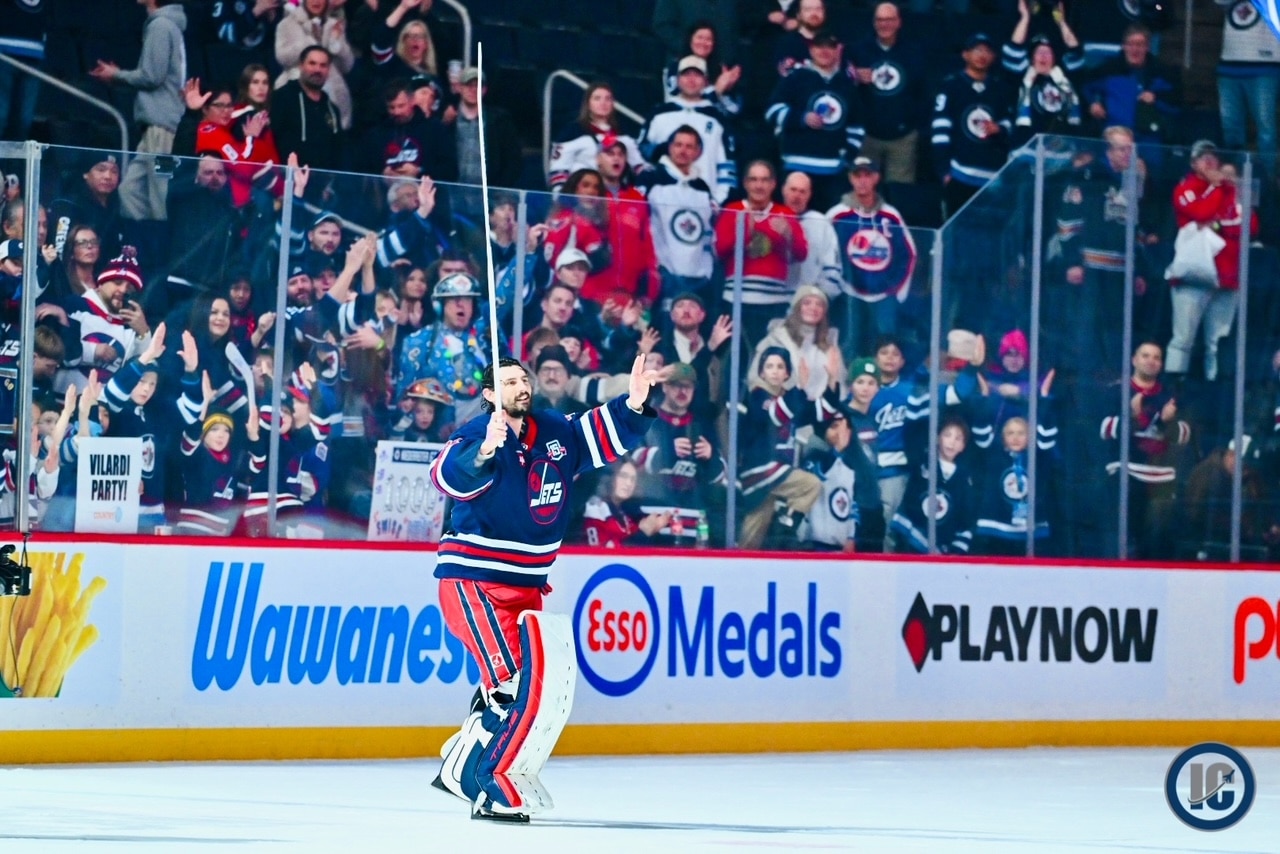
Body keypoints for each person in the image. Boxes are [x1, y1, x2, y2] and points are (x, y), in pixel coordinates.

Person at [429, 354, 657, 820]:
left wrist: (633, 405)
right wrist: (485, 451)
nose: (520, 386)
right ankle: (485, 779)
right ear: (489, 394)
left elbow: (598, 433)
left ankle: (466, 760)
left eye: (523, 379)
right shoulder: (477, 433)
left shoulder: (554, 430)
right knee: (513, 683)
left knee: (527, 685)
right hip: (475, 579)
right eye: (508, 382)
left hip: (528, 583)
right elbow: (447, 477)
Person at [1166, 140, 1258, 383]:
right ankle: (1172, 390)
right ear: (1193, 163)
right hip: (1194, 273)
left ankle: (1215, 389)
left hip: (1228, 275)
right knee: (1183, 339)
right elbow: (1202, 212)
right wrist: (1216, 189)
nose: (1209, 162)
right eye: (1202, 158)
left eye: (1213, 157)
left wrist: (1217, 225)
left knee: (1218, 341)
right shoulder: (1186, 188)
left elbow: (1250, 226)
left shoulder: (1232, 189)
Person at [88, 0, 188, 223]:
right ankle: (143, 239)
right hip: (154, 128)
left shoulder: (161, 25)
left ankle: (163, 243)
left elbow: (152, 76)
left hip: (161, 129)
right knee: (130, 190)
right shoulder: (166, 24)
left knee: (159, 193)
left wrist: (116, 75)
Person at [766, 28, 864, 213]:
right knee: (789, 222)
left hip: (833, 171)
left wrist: (846, 157)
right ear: (811, 49)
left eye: (830, 46)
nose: (824, 51)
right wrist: (801, 118)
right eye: (819, 46)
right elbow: (772, 111)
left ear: (837, 50)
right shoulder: (795, 78)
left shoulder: (846, 84)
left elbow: (856, 126)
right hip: (796, 167)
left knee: (828, 222)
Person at [826, 157, 917, 357]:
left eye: (868, 175)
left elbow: (909, 253)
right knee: (849, 345)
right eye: (857, 175)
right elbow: (824, 253)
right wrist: (836, 287)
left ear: (876, 177)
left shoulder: (891, 215)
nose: (862, 180)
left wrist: (897, 290)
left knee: (886, 347)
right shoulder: (837, 214)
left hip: (884, 295)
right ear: (850, 178)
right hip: (849, 293)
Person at [715, 160, 808, 348]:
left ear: (773, 184)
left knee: (769, 356)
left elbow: (801, 254)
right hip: (736, 299)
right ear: (745, 183)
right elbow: (719, 251)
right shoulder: (733, 210)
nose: (759, 185)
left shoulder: (785, 213)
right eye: (754, 179)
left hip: (774, 301)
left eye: (765, 180)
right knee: (734, 357)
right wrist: (743, 233)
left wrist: (788, 235)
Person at [931, 32, 1014, 216]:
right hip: (960, 176)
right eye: (977, 50)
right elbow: (940, 131)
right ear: (965, 54)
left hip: (992, 179)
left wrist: (999, 129)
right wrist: (944, 171)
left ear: (993, 57)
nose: (982, 55)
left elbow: (1010, 125)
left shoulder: (999, 89)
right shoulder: (951, 86)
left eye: (987, 51)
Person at [848, 2, 928, 183]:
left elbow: (922, 92)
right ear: (874, 22)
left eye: (889, 19)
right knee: (864, 189)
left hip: (903, 138)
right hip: (867, 136)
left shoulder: (913, 52)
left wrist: (914, 126)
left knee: (900, 192)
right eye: (880, 20)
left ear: (899, 22)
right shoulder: (858, 50)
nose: (884, 24)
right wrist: (854, 76)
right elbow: (842, 86)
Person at [639, 56, 737, 203]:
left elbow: (727, 166)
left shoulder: (718, 119)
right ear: (678, 79)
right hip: (661, 202)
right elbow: (641, 155)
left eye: (697, 75)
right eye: (686, 74)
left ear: (706, 81)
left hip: (702, 202)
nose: (691, 80)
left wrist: (717, 201)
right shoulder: (658, 114)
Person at [1216, 0, 1280, 179]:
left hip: (1266, 66)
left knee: (1266, 128)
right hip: (1229, 65)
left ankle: (1267, 181)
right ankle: (1234, 180)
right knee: (1231, 128)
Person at [548, 83, 649, 193]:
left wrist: (642, 190)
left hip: (616, 196)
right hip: (583, 196)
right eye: (597, 98)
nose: (603, 103)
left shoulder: (624, 133)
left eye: (608, 99)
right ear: (588, 103)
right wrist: (562, 197)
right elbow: (558, 169)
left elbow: (639, 167)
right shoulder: (571, 131)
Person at [275, 0, 355, 130]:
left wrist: (336, 43)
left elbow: (347, 66)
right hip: (295, 88)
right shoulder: (287, 24)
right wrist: (309, 42)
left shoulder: (334, 25)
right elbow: (282, 57)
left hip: (331, 92)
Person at [660, 21, 742, 118]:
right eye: (699, 37)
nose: (703, 43)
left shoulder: (721, 71)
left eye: (708, 39)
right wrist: (716, 91)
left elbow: (733, 110)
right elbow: (680, 102)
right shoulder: (675, 67)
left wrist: (727, 90)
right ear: (690, 40)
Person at [582, 459, 670, 548]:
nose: (629, 483)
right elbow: (600, 552)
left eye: (633, 479)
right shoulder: (595, 509)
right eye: (623, 476)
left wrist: (655, 528)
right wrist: (644, 532)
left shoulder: (626, 514)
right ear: (610, 477)